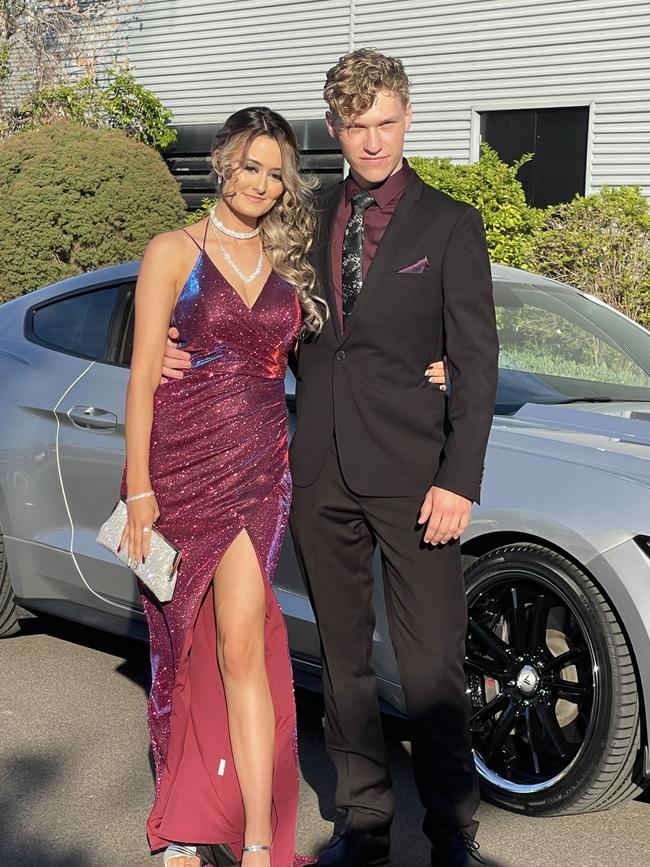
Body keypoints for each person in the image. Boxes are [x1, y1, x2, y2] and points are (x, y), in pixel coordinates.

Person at [162, 48, 496, 867]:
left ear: (408, 118)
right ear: (336, 127)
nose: (372, 140)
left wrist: (459, 476)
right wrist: (175, 351)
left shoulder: (450, 223)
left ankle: (452, 829)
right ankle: (365, 822)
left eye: (385, 122)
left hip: (419, 480)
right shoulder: (301, 221)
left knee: (428, 666)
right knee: (342, 659)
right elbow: (246, 310)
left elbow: (478, 360)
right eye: (355, 125)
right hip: (316, 473)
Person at [119, 106, 326, 867]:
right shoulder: (172, 250)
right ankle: (178, 822)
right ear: (222, 164)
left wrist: (438, 367)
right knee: (177, 648)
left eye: (277, 173)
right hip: (176, 471)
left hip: (260, 473)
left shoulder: (286, 262)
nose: (265, 184)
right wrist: (140, 488)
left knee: (241, 649)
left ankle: (259, 842)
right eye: (253, 166)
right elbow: (143, 377)